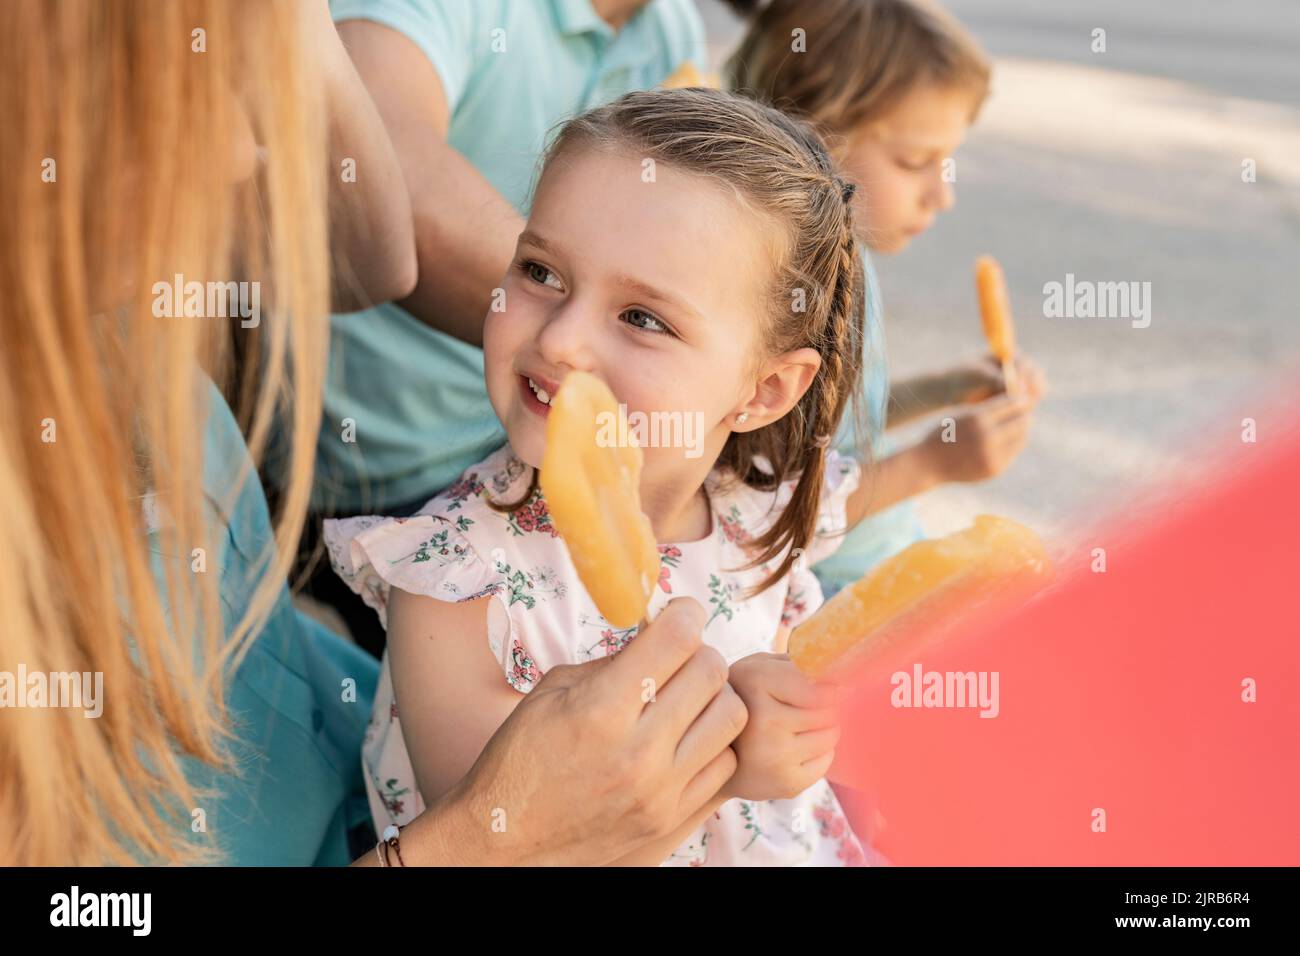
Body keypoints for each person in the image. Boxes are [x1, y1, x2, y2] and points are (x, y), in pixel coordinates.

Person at [0, 0, 743, 867]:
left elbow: (371, 247)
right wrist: (490, 841)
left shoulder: (94, 324)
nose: (242, 153)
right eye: (143, 99)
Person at [325, 89, 884, 866]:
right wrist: (727, 764)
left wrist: (803, 726)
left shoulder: (755, 517)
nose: (561, 340)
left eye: (643, 318)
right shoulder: (455, 578)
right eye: (541, 271)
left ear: (764, 392)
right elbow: (521, 827)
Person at [298, 0, 708, 656]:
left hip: (523, 452)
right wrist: (629, 345)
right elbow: (378, 170)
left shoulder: (669, 27)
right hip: (377, 482)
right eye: (540, 276)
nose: (564, 340)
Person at [727, 0, 1047, 595]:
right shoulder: (791, 296)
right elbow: (765, 515)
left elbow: (843, 430)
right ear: (813, 141)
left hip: (884, 564)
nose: (941, 195)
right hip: (830, 598)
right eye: (915, 162)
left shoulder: (851, 259)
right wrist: (933, 464)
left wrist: (942, 392)